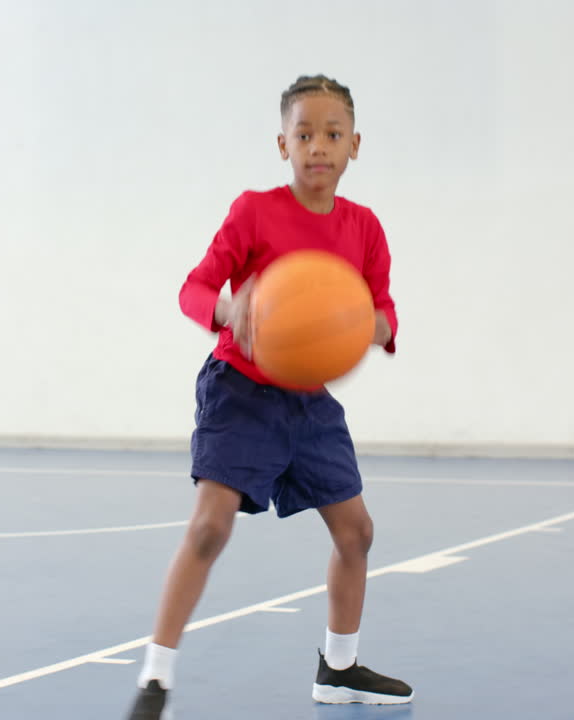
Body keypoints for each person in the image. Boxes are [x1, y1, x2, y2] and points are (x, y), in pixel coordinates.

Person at [127, 74, 412, 719]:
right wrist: (230, 308)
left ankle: (339, 669)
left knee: (357, 533)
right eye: (303, 134)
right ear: (281, 144)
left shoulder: (364, 229)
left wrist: (368, 324)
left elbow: (386, 313)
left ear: (355, 146)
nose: (318, 146)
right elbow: (193, 289)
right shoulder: (255, 211)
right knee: (209, 528)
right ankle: (155, 678)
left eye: (332, 134)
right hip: (242, 390)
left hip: (309, 404)